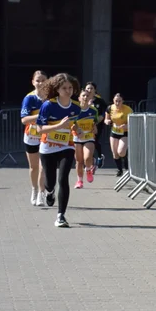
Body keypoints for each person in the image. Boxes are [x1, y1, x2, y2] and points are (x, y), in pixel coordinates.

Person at [36, 73, 82, 228]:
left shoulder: (75, 107)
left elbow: (73, 124)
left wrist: (77, 129)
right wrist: (58, 126)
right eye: (64, 88)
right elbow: (40, 129)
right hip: (48, 147)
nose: (68, 91)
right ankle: (49, 192)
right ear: (57, 89)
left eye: (70, 88)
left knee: (63, 179)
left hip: (66, 146)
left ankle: (61, 215)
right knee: (50, 182)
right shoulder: (48, 105)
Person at [20, 70, 48, 206]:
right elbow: (24, 119)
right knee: (34, 167)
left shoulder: (52, 97)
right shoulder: (29, 98)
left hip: (47, 136)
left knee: (43, 167)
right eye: (38, 80)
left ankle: (42, 193)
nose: (41, 83)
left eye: (43, 80)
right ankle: (34, 189)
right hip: (31, 136)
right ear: (33, 82)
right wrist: (40, 116)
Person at [73, 89, 99, 189]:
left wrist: (95, 128)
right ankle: (79, 181)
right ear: (79, 98)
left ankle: (88, 170)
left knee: (87, 157)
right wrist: (76, 129)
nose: (85, 97)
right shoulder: (75, 110)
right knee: (79, 161)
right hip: (77, 137)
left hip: (89, 137)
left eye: (87, 96)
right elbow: (71, 123)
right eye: (83, 95)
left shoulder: (93, 110)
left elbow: (95, 123)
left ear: (90, 98)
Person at [104, 93, 133, 177]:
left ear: (122, 101)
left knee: (121, 152)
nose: (117, 103)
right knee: (115, 153)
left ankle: (127, 167)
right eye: (116, 101)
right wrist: (107, 121)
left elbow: (133, 121)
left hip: (124, 132)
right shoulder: (110, 108)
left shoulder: (128, 109)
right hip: (114, 132)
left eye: (119, 101)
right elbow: (106, 118)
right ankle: (120, 170)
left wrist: (126, 126)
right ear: (113, 100)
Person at [84, 81, 107, 170]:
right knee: (87, 142)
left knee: (94, 141)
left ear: (94, 90)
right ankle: (91, 162)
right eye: (87, 88)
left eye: (91, 88)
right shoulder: (83, 99)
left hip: (97, 125)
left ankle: (100, 157)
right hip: (85, 125)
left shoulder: (99, 100)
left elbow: (104, 112)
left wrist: (99, 120)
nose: (89, 90)